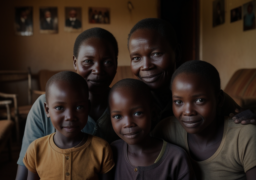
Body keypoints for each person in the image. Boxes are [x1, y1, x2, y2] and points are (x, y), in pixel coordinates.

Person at [15, 28, 119, 180]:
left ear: (116, 63)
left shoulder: (125, 104)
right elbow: (26, 168)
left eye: (108, 62)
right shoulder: (43, 105)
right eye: (88, 61)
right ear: (75, 62)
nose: (98, 70)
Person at [127, 18, 256, 125]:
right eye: (136, 58)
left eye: (156, 54)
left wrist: (250, 119)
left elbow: (240, 113)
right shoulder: (132, 99)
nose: (146, 66)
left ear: (176, 53)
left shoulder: (202, 91)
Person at [152, 60, 256, 179]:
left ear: (219, 99)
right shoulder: (166, 131)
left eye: (200, 100)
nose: (188, 111)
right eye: (178, 102)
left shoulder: (244, 137)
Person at [23, 71, 114, 180]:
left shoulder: (101, 149)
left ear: (88, 108)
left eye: (79, 107)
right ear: (47, 110)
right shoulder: (36, 149)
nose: (70, 116)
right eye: (59, 108)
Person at [110, 79, 194, 180]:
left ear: (153, 114)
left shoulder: (176, 158)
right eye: (118, 116)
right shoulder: (112, 152)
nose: (128, 124)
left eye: (137, 113)